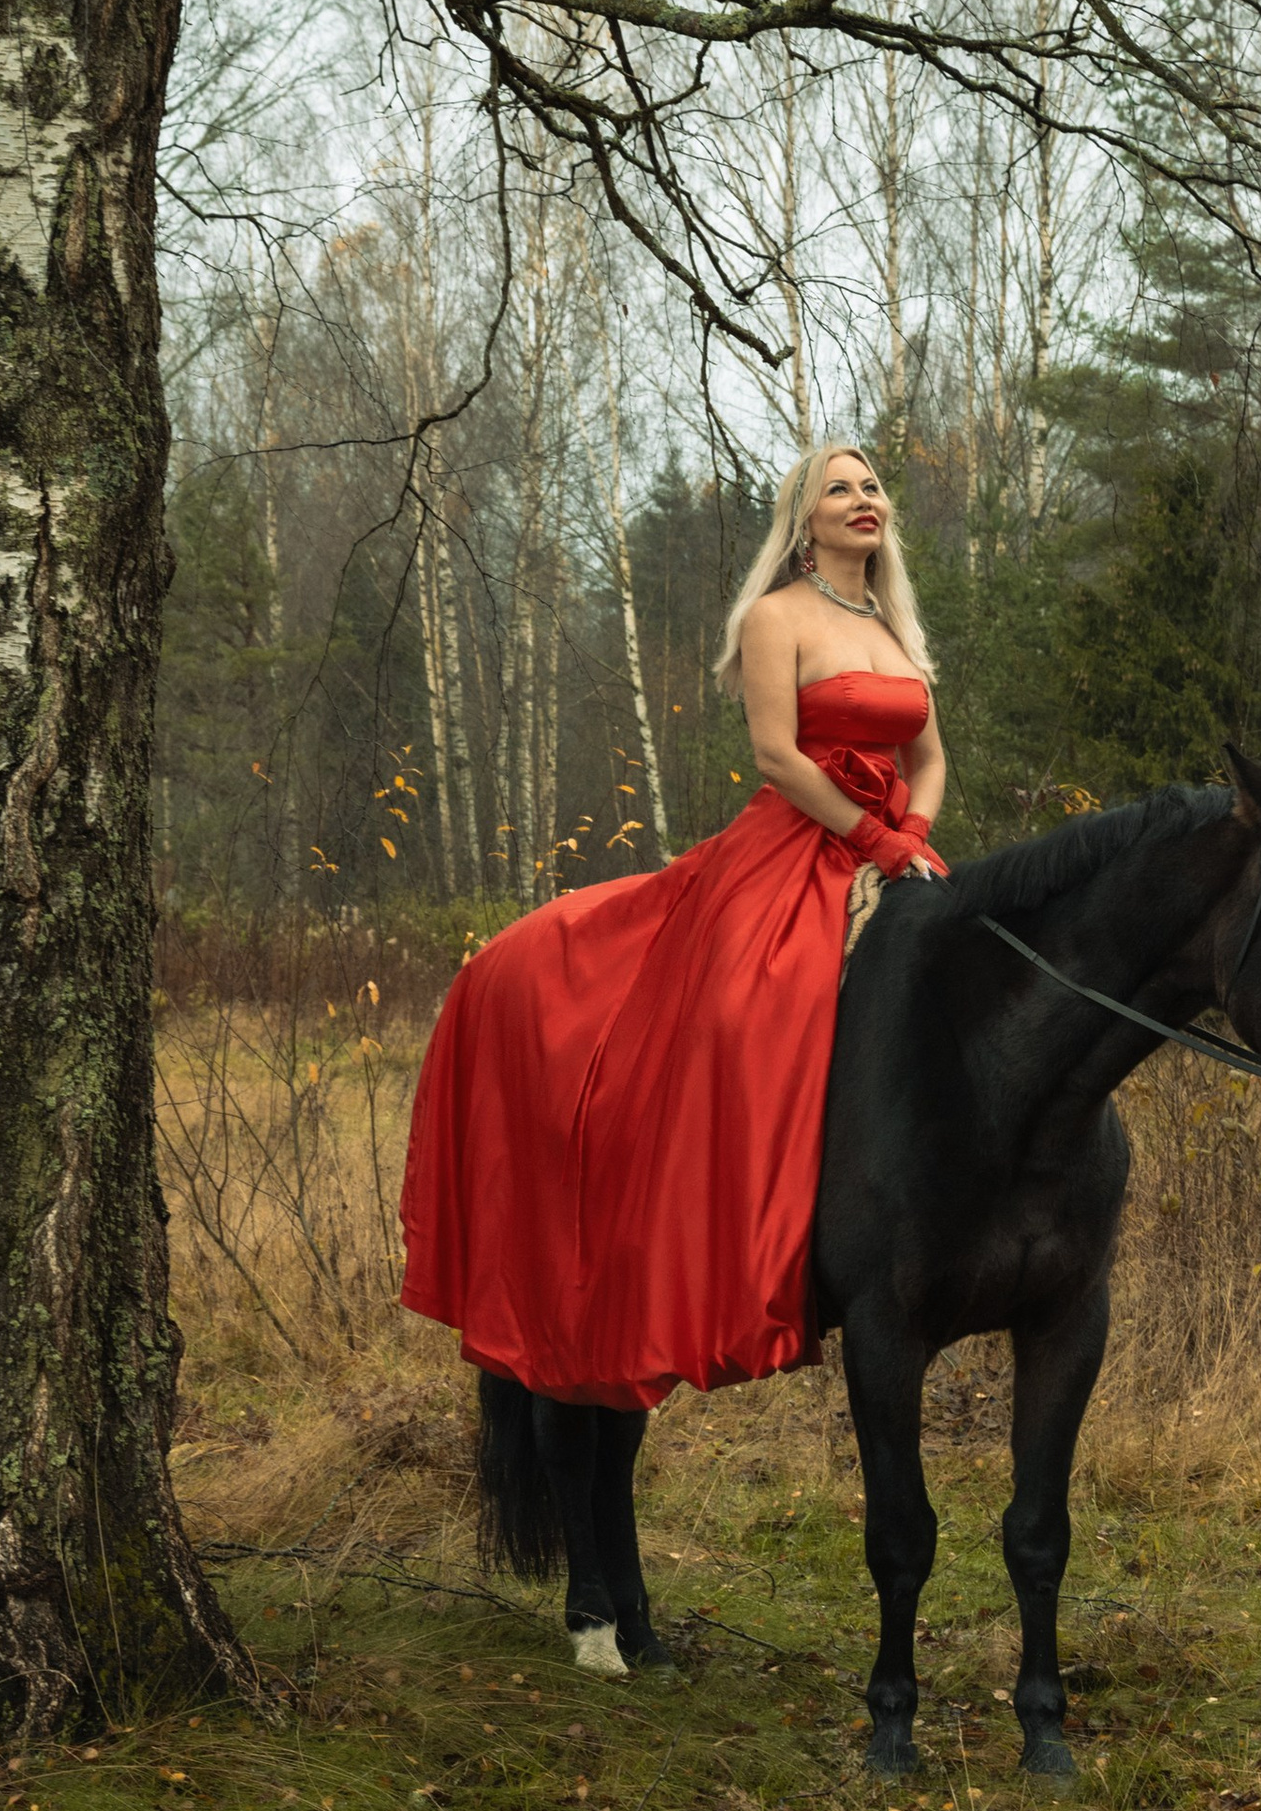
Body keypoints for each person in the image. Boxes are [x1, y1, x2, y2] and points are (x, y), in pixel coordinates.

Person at [397, 443, 948, 1412]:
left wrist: (910, 837)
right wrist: (868, 833)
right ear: (802, 519)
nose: (861, 500)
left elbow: (930, 754)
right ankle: (724, 1250)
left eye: (870, 487)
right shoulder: (775, 617)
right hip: (792, 846)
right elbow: (778, 757)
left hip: (891, 851)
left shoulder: (895, 627)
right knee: (743, 1015)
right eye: (838, 489)